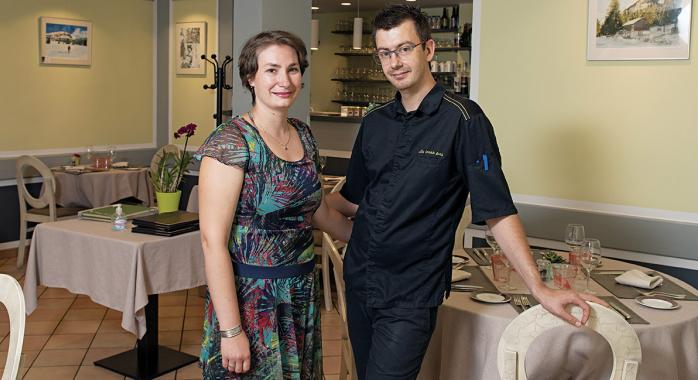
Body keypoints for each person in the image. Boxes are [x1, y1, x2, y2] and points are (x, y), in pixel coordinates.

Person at [325, 5, 605, 379]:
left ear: (428, 50)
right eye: (385, 53)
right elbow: (351, 200)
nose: (395, 62)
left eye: (404, 49)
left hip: (411, 294)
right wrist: (300, 201)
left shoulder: (465, 120)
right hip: (360, 281)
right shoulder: (375, 122)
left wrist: (538, 286)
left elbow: (497, 211)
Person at [195, 30, 352, 379]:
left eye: (293, 69)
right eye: (271, 70)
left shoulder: (304, 134)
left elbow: (316, 211)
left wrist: (366, 238)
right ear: (251, 77)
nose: (284, 80)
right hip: (252, 304)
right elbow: (212, 243)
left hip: (300, 296)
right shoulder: (230, 143)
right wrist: (231, 331)